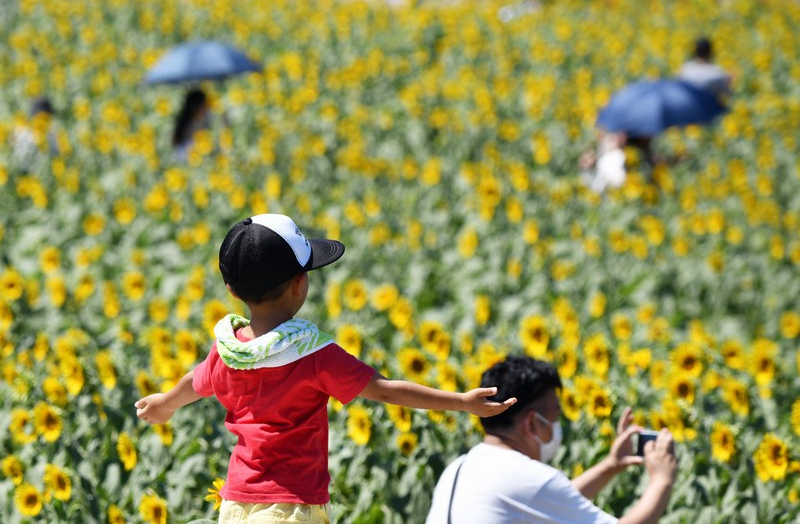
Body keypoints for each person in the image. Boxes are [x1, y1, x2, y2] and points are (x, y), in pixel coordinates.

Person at [134, 213, 517, 524]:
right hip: (293, 506)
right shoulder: (313, 353)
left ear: (232, 290)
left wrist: (165, 404)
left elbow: (194, 383)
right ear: (301, 284)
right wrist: (461, 402)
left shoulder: (228, 351)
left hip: (236, 504)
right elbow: (384, 390)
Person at [426, 355, 677, 524]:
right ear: (532, 422)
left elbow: (548, 502)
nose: (558, 426)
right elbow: (542, 494)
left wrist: (610, 465)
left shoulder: (460, 467)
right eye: (556, 415)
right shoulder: (527, 478)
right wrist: (662, 481)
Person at [171, 88, 211, 161]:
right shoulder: (186, 125)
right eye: (203, 105)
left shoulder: (206, 121)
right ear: (194, 107)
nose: (206, 108)